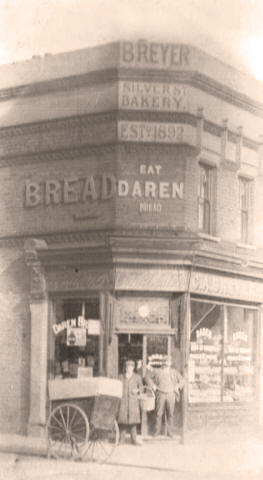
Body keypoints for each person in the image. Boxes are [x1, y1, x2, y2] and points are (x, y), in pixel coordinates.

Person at [146, 357, 184, 438]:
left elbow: (182, 380)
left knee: (170, 414)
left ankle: (170, 432)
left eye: (168, 362)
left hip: (171, 394)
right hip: (160, 394)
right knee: (159, 413)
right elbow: (147, 377)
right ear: (162, 363)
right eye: (165, 362)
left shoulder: (174, 372)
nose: (166, 363)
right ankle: (157, 431)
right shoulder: (157, 371)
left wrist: (178, 386)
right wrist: (153, 385)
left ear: (170, 363)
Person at [118, 359, 143, 445]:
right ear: (125, 368)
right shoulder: (121, 377)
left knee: (133, 422)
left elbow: (142, 388)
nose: (129, 368)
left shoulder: (137, 377)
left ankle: (134, 440)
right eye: (128, 367)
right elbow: (117, 386)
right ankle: (121, 440)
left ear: (133, 368)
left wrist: (137, 390)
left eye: (131, 367)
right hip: (123, 401)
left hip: (133, 401)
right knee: (123, 421)